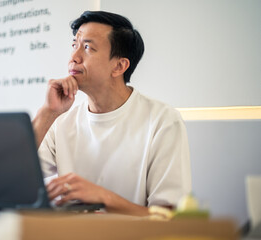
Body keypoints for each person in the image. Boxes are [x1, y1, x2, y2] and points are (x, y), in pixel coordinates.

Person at [32, 11, 191, 216]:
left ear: (119, 66)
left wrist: (103, 197)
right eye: (75, 45)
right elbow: (9, 183)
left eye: (88, 47)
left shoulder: (163, 121)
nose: (74, 57)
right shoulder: (60, 120)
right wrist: (47, 113)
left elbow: (170, 218)